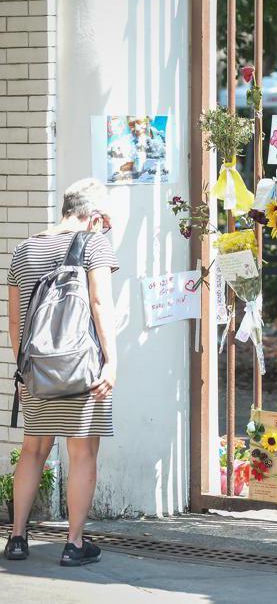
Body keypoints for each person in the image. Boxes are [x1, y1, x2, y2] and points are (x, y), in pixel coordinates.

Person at [3, 178, 119, 566]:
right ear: (95, 216)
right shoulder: (95, 242)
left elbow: (15, 321)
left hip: (36, 369)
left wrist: (25, 369)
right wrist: (112, 361)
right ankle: (73, 544)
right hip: (82, 369)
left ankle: (17, 538)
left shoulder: (24, 249)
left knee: (33, 450)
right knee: (82, 451)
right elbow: (100, 303)